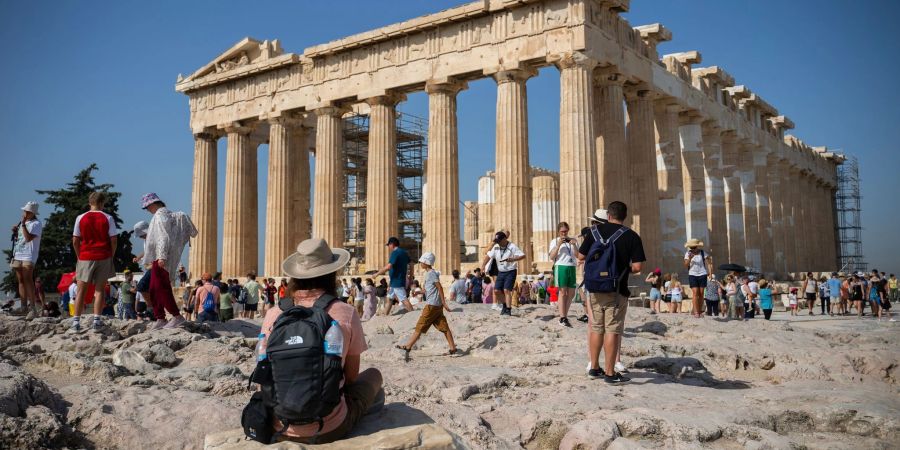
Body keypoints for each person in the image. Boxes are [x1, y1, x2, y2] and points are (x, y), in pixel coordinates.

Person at [259, 238, 382, 444]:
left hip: (279, 424)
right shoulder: (345, 312)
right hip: (329, 427)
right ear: (331, 273)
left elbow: (262, 371)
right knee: (373, 376)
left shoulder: (273, 314)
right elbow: (351, 377)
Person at [577, 201, 645, 384]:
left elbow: (581, 256)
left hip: (594, 287)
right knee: (612, 330)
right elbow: (638, 266)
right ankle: (609, 372)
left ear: (608, 215)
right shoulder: (631, 236)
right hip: (617, 289)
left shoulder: (593, 232)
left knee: (596, 327)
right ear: (625, 216)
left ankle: (594, 367)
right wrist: (623, 268)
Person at [140, 192, 197, 330]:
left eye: (147, 207)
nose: (147, 210)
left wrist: (162, 256)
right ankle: (160, 318)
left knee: (161, 288)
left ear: (153, 204)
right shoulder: (165, 214)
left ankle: (177, 316)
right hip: (160, 257)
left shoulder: (160, 215)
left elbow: (163, 236)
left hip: (162, 257)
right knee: (154, 288)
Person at [70, 192, 118, 332]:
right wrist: (111, 255)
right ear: (102, 203)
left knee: (81, 291)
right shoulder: (108, 218)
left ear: (89, 202)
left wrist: (79, 256)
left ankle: (76, 322)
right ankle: (97, 321)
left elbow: (75, 240)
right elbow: (114, 240)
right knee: (100, 290)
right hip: (103, 255)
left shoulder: (80, 217)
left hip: (85, 256)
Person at [395, 252, 457, 359]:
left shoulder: (431, 273)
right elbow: (428, 289)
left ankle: (408, 346)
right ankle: (452, 348)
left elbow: (439, 287)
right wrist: (418, 292)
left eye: (422, 262)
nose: (420, 263)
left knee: (420, 325)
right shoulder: (430, 274)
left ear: (427, 263)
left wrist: (444, 302)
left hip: (432, 305)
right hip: (436, 306)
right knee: (444, 327)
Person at [481, 231, 526, 316]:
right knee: (497, 290)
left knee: (506, 290)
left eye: (499, 241)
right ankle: (505, 305)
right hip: (501, 271)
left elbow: (523, 255)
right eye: (497, 241)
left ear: (505, 239)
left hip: (510, 271)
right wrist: (483, 266)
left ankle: (508, 310)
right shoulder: (496, 247)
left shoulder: (512, 246)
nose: (498, 242)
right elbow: (488, 256)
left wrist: (513, 259)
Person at [11, 201, 43, 319]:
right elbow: (20, 238)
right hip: (18, 253)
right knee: (20, 280)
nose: (25, 213)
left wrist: (23, 225)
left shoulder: (36, 224)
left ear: (32, 213)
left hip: (29, 255)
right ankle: (24, 307)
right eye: (24, 211)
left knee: (28, 279)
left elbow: (28, 238)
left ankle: (33, 308)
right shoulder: (22, 223)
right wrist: (16, 230)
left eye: (27, 211)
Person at [549, 221, 579, 326]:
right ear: (558, 231)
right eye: (562, 231)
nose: (563, 234)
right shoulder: (554, 241)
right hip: (560, 266)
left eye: (565, 231)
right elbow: (552, 256)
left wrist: (574, 245)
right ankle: (562, 317)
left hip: (572, 266)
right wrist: (558, 245)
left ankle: (565, 315)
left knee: (571, 293)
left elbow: (578, 255)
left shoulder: (573, 241)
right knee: (562, 292)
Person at [373, 237, 413, 315]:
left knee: (403, 299)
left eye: (389, 245)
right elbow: (411, 264)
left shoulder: (395, 252)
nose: (388, 247)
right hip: (395, 281)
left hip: (396, 281)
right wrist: (410, 277)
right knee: (389, 299)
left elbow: (388, 266)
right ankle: (385, 315)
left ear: (392, 244)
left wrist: (377, 274)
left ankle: (413, 314)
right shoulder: (404, 252)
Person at [683, 238, 713, 318]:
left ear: (697, 246)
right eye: (691, 247)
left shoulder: (703, 253)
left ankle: (699, 310)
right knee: (695, 293)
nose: (692, 249)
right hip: (692, 274)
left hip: (702, 273)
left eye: (694, 247)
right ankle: (696, 312)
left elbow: (709, 262)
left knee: (701, 293)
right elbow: (685, 265)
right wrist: (689, 258)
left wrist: (710, 273)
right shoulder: (688, 253)